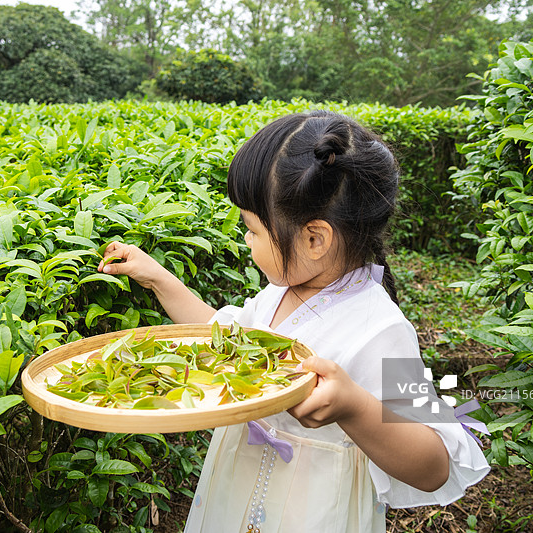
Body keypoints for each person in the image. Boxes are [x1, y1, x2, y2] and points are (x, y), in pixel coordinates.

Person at [97, 110, 490, 532]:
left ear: (314, 239)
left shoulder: (380, 329)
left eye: (252, 230)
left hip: (314, 510)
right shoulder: (281, 292)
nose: (245, 240)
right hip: (238, 489)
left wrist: (354, 407)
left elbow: (432, 464)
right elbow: (220, 335)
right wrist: (158, 277)